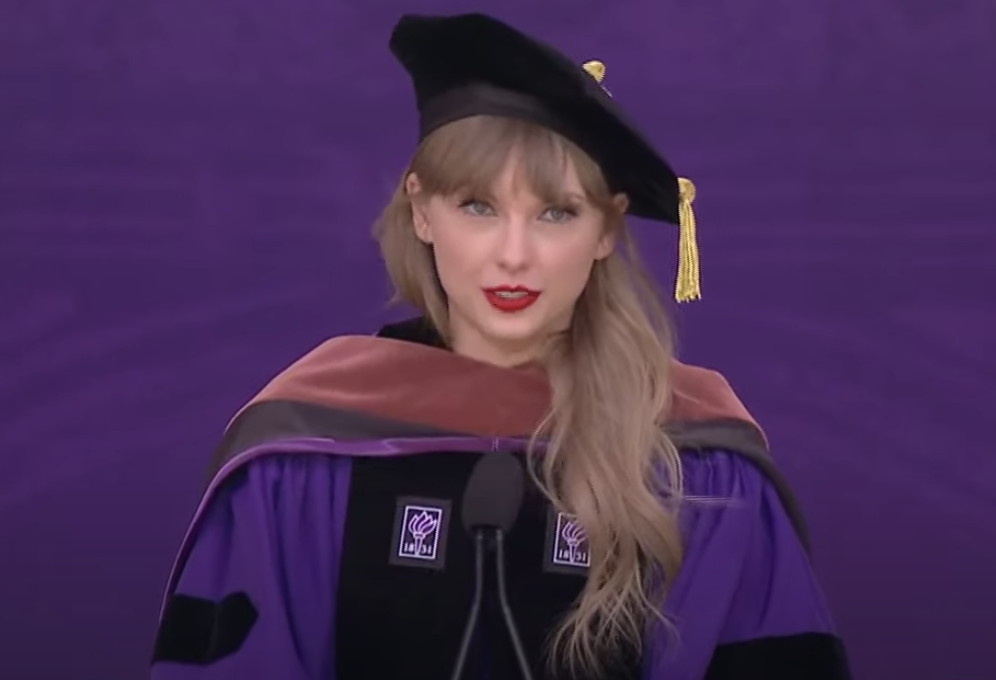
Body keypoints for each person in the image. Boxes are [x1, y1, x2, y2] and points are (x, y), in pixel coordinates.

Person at [150, 12, 851, 680]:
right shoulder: (304, 452)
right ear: (422, 210)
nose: (513, 256)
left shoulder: (697, 465)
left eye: (556, 213)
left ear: (606, 230)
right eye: (478, 207)